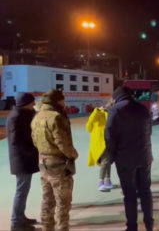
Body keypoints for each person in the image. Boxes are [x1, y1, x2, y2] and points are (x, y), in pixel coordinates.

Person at [105, 86, 154, 231]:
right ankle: (149, 225)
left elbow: (109, 136)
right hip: (144, 157)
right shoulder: (142, 109)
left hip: (124, 159)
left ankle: (132, 227)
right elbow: (149, 131)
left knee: (130, 194)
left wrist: (112, 156)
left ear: (116, 97)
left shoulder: (115, 110)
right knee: (145, 191)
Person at [31, 90, 78, 231]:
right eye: (63, 100)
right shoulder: (56, 117)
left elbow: (34, 140)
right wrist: (73, 154)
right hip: (58, 165)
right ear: (58, 101)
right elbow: (62, 142)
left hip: (43, 163)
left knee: (47, 200)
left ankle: (47, 227)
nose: (64, 103)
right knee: (63, 203)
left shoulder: (37, 116)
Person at [7, 93, 39, 231]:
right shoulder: (16, 117)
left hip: (24, 159)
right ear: (26, 103)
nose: (34, 105)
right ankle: (16, 222)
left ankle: (21, 217)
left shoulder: (24, 114)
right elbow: (16, 141)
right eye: (32, 102)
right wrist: (31, 152)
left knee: (23, 190)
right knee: (21, 190)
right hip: (21, 160)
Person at [86, 101, 114, 192]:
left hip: (108, 141)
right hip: (101, 142)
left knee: (107, 161)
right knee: (105, 161)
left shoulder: (111, 114)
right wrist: (97, 110)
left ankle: (107, 180)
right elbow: (89, 126)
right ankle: (101, 182)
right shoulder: (99, 114)